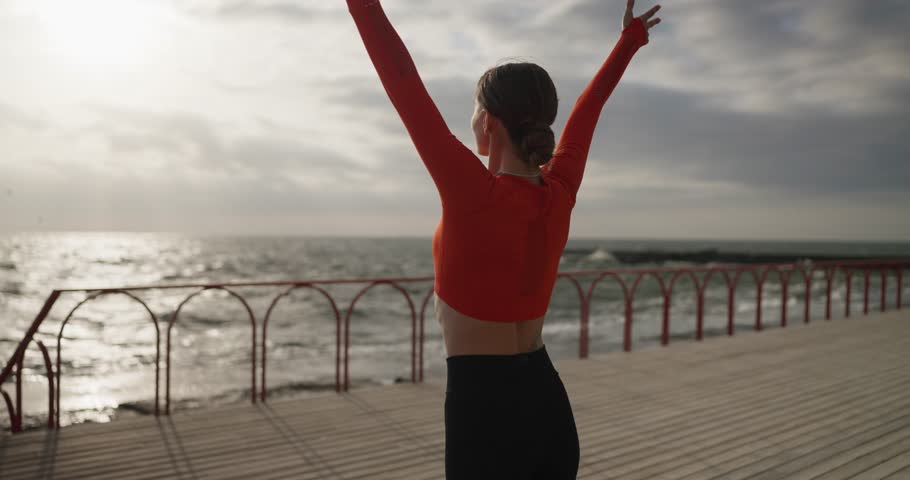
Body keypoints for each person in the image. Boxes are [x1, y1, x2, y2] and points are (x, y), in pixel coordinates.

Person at [346, 1, 662, 478]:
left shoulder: (471, 191)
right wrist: (628, 42)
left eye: (474, 109)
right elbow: (588, 109)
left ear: (489, 121)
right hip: (547, 406)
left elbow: (402, 80)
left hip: (484, 412)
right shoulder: (560, 191)